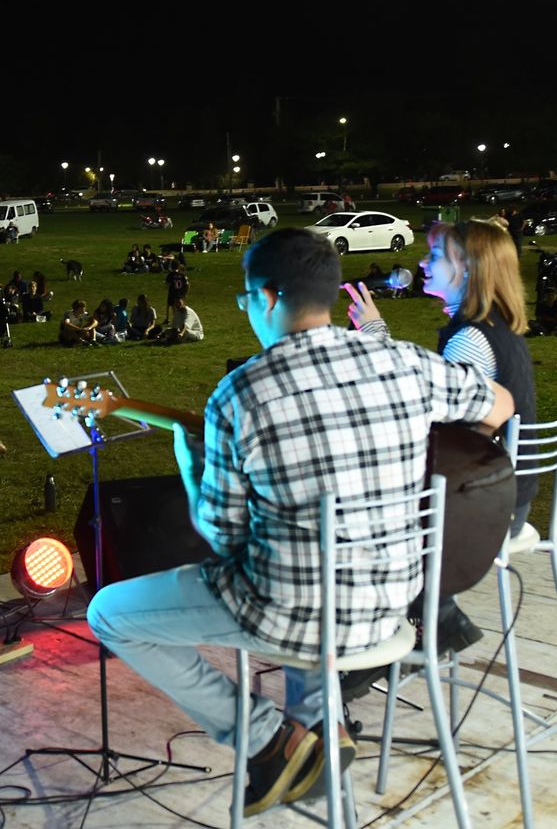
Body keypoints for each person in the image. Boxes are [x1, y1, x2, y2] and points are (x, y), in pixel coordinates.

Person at [86, 228, 514, 817]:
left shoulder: (239, 394)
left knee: (110, 614)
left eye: (243, 301)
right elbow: (499, 406)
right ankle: (320, 730)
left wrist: (190, 466)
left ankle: (266, 738)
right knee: (300, 574)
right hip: (392, 602)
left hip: (294, 612)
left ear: (264, 297)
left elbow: (223, 537)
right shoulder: (406, 362)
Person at [343, 217, 536, 665]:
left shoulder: (470, 341)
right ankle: (437, 623)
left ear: (466, 268)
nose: (423, 263)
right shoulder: (496, 327)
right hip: (504, 495)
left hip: (481, 511)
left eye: (434, 256)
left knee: (356, 535)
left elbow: (424, 419)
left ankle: (362, 663)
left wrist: (373, 338)